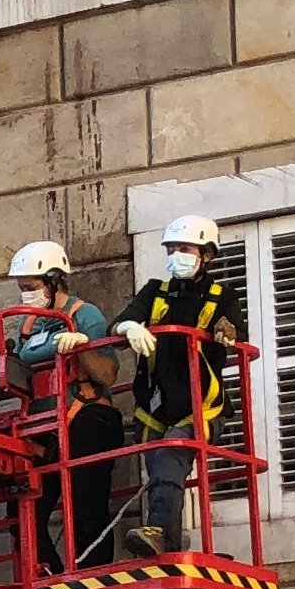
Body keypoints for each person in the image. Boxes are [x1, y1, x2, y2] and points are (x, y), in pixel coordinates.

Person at [0, 238, 131, 566]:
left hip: (87, 417)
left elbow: (108, 373)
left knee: (85, 505)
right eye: (22, 288)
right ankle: (49, 574)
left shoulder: (83, 314)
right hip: (43, 426)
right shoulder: (28, 323)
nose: (26, 294)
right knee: (23, 510)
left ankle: (92, 573)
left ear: (54, 279)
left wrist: (81, 347)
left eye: (31, 287)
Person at [115, 212, 238, 556]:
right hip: (157, 406)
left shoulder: (221, 296)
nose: (175, 256)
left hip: (203, 405)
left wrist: (225, 330)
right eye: (171, 249)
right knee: (161, 469)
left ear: (207, 255)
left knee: (170, 456)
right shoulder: (156, 292)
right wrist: (129, 328)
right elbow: (121, 319)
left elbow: (234, 331)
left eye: (184, 248)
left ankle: (162, 535)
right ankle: (169, 538)